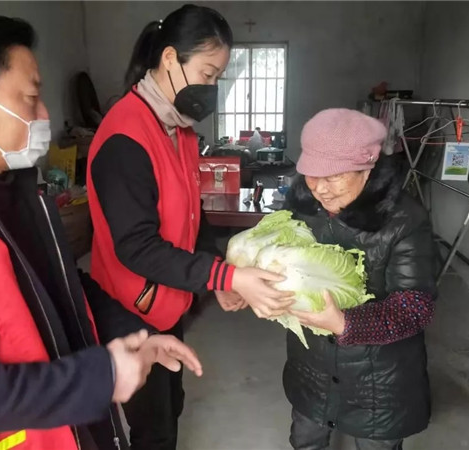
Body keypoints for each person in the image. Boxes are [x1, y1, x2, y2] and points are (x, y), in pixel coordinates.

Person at [0, 13, 203, 450]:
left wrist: (133, 331)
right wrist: (98, 378)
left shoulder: (17, 187)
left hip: (75, 430)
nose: (44, 114)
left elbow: (62, 287)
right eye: (30, 98)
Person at [86, 4, 293, 449]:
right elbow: (137, 247)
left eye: (218, 77)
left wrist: (217, 275)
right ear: (169, 59)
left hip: (168, 301)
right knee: (153, 428)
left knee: (170, 407)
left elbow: (191, 220)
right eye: (207, 73)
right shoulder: (125, 138)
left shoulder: (178, 130)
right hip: (131, 309)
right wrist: (228, 276)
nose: (211, 88)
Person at [282, 109, 437, 450]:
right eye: (311, 174)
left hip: (378, 381)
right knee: (305, 439)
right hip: (311, 367)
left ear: (368, 167)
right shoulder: (301, 209)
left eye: (334, 176)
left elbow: (415, 307)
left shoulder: (405, 219)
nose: (320, 188)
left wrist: (345, 323)